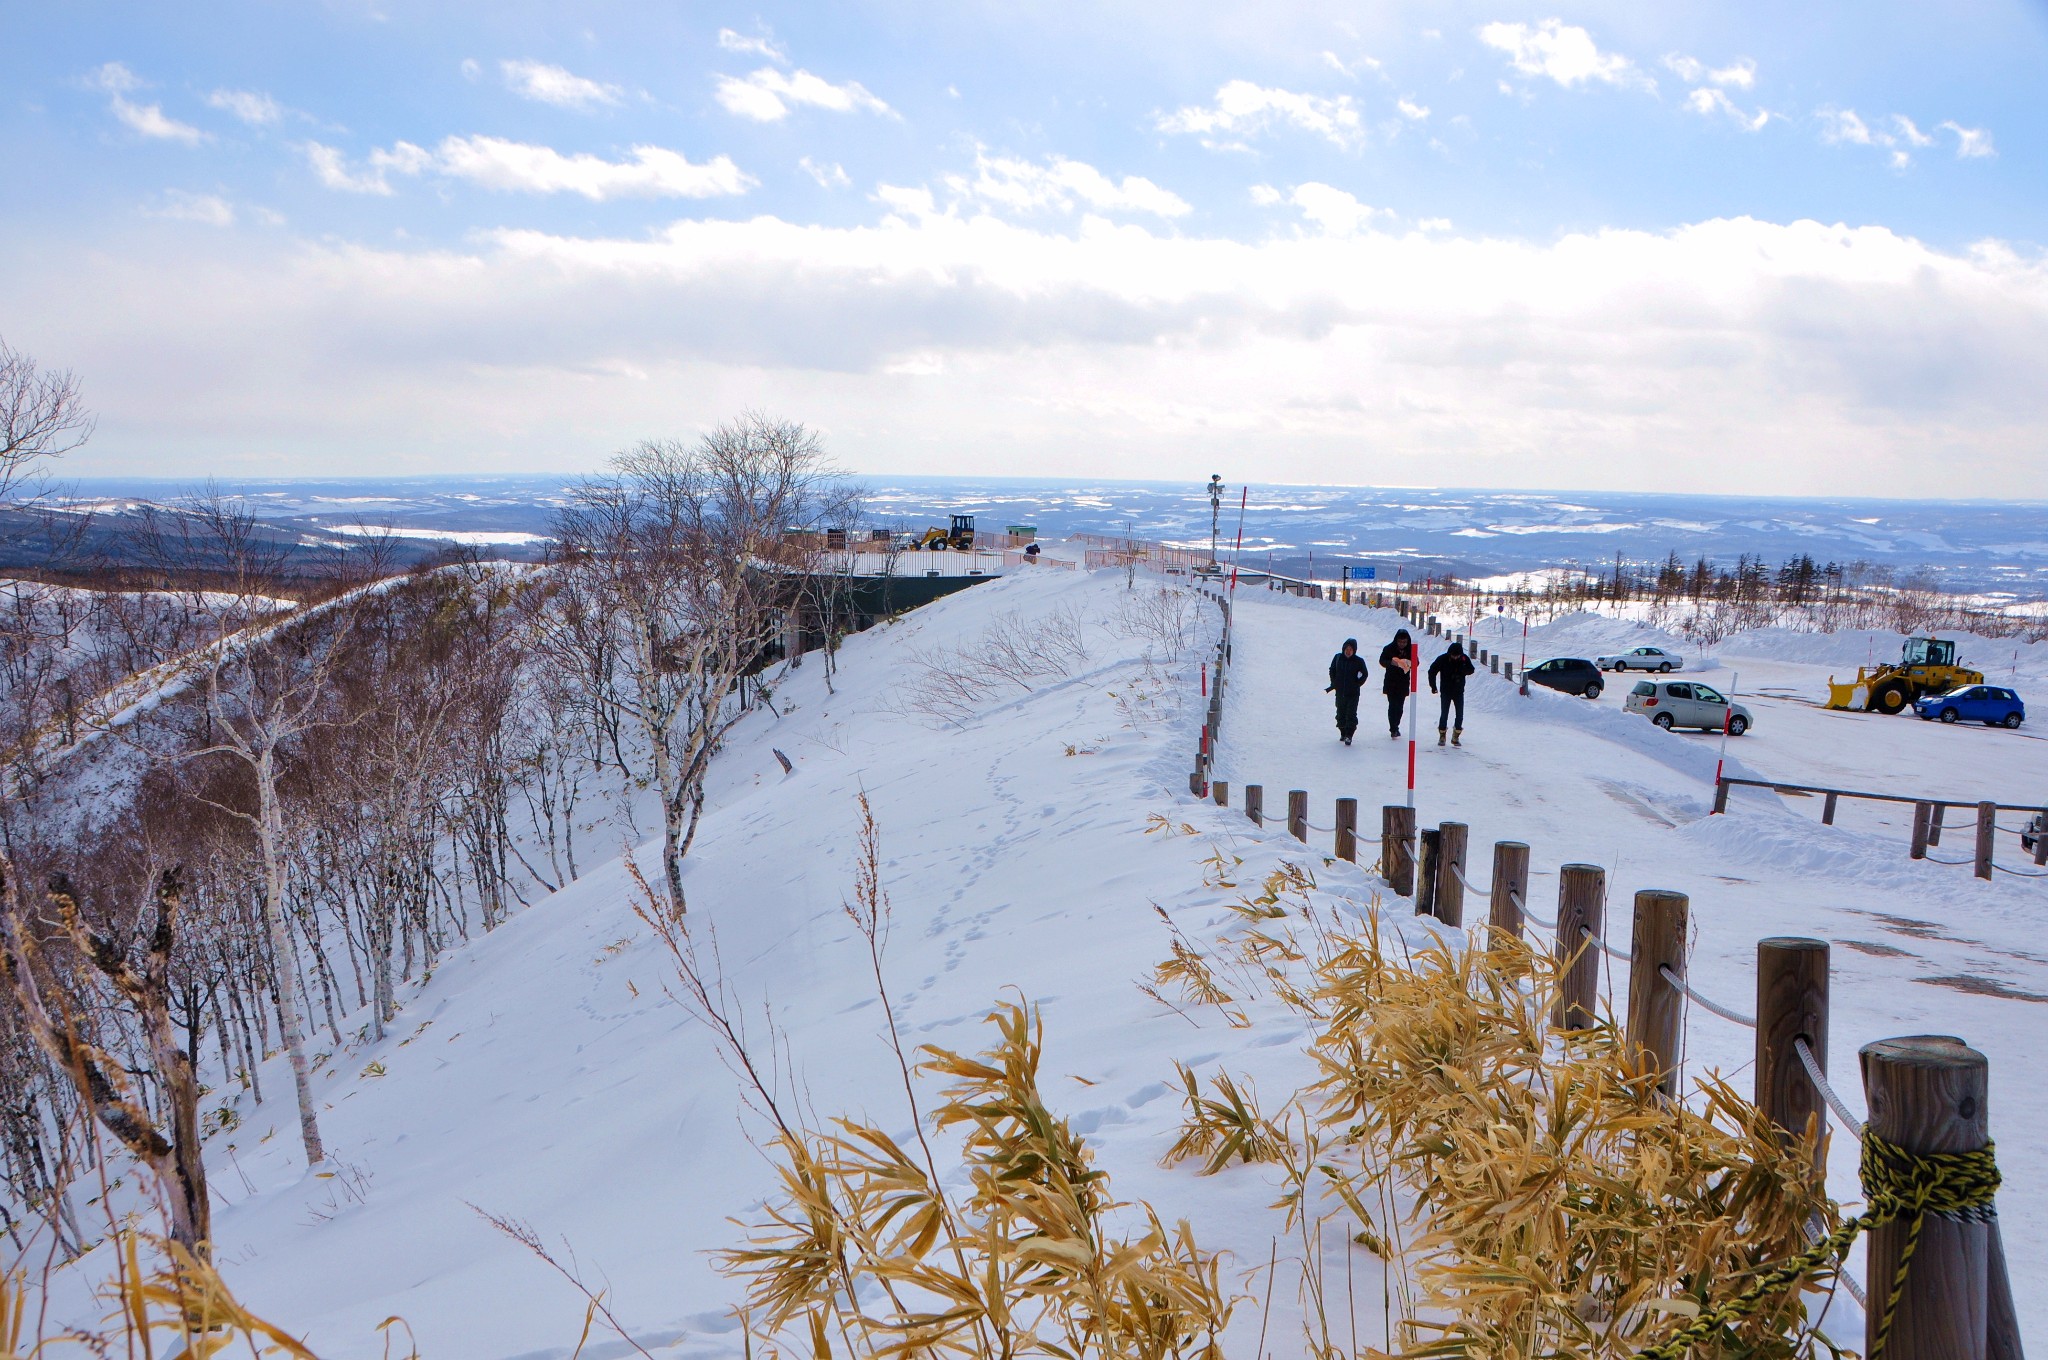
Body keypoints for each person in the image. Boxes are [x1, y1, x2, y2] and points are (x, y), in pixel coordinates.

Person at [1428, 640, 1477, 746]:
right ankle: (1442, 736)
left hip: (1459, 691)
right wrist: (1433, 686)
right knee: (1444, 714)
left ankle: (1456, 737)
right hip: (1446, 691)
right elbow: (1432, 671)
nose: (1455, 658)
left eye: (1457, 656)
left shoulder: (1464, 659)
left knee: (1460, 715)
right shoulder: (1442, 659)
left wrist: (1462, 671)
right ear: (1449, 654)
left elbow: (1471, 669)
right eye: (1453, 656)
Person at [1324, 638, 1368, 745]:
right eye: (1347, 649)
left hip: (1353, 694)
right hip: (1340, 692)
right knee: (1340, 713)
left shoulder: (1359, 661)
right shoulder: (1338, 658)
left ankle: (1349, 735)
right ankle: (1343, 732)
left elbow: (1364, 674)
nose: (1348, 651)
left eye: (1351, 649)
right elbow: (1332, 670)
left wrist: (1357, 684)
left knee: (1351, 714)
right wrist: (1334, 682)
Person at [1377, 630, 1415, 739]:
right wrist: (1392, 663)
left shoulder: (1411, 650)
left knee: (1400, 706)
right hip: (1391, 681)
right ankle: (1393, 728)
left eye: (1404, 642)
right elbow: (1382, 661)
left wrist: (1408, 663)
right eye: (1400, 642)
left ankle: (1396, 725)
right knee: (1392, 705)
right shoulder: (1389, 648)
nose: (1402, 644)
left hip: (1403, 682)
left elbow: (1416, 662)